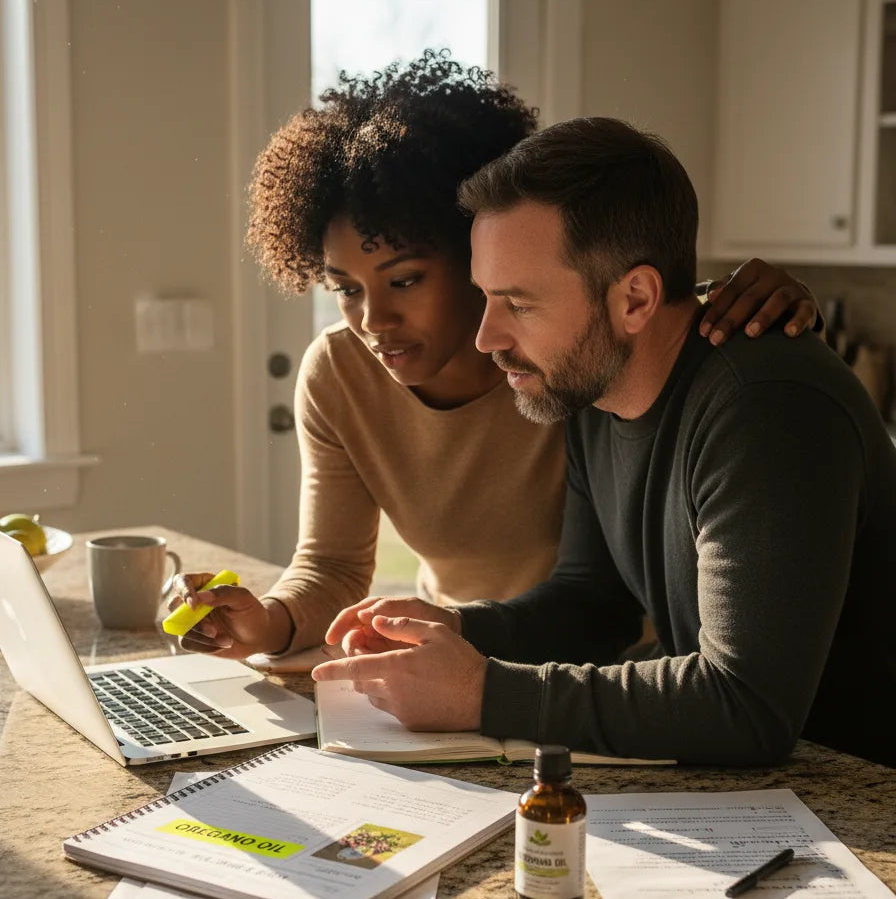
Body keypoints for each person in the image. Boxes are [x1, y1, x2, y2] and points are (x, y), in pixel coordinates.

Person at [174, 51, 820, 663]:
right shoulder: (340, 376)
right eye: (344, 289)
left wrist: (757, 302)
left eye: (404, 280)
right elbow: (334, 565)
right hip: (457, 650)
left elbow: (644, 318)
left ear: (478, 257)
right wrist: (267, 623)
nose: (374, 320)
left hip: (622, 674)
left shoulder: (573, 356)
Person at [314, 116, 896, 769]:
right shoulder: (592, 387)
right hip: (773, 793)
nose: (487, 337)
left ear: (636, 299)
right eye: (485, 297)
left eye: (519, 304)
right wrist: (456, 631)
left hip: (865, 806)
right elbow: (593, 602)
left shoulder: (765, 408)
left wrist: (482, 693)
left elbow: (747, 705)